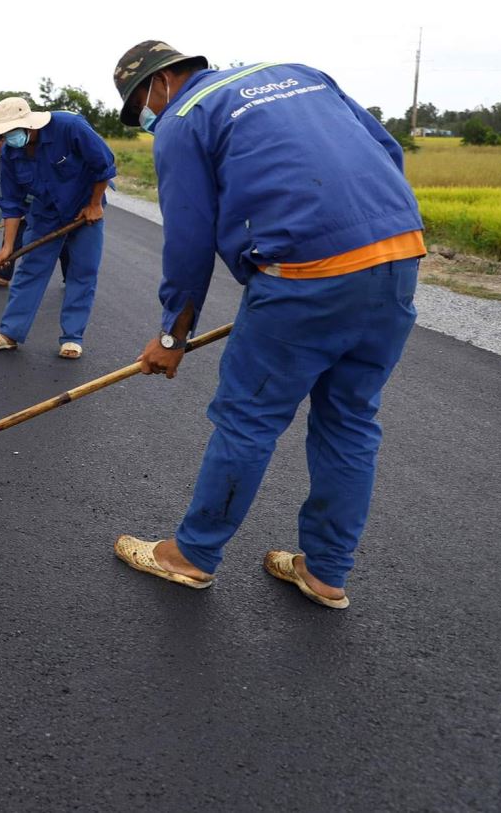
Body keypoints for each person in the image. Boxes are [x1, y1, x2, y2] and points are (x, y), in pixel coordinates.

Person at [109, 41, 424, 610]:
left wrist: (171, 337)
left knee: (248, 419)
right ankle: (325, 571)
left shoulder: (184, 118)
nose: (147, 119)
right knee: (350, 420)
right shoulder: (298, 71)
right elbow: (387, 150)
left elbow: (188, 241)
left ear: (158, 83)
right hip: (397, 253)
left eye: (141, 107)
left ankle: (191, 556)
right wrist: (365, 239)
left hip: (305, 275)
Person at [0, 98, 114, 358]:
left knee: (82, 271)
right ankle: (9, 333)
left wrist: (95, 204)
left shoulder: (70, 127)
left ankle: (72, 337)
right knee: (30, 270)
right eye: (5, 133)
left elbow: (104, 163)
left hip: (85, 210)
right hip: (46, 213)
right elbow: (13, 204)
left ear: (30, 124)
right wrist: (7, 247)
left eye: (13, 131)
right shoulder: (10, 153)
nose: (9, 137)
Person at [0, 135, 70, 289]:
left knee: (62, 241)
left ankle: (71, 278)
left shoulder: (35, 149)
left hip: (51, 204)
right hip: (22, 207)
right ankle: (1, 275)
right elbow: (0, 195)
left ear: (1, 142)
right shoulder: (0, 166)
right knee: (11, 237)